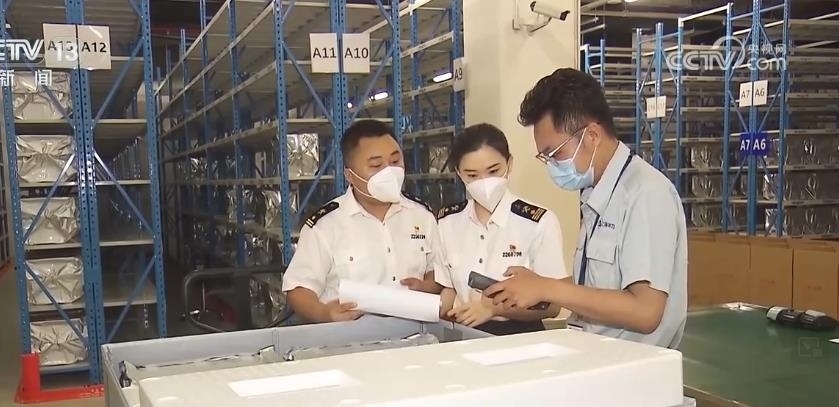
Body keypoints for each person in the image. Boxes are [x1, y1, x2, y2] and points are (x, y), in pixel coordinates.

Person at [484, 68, 688, 348]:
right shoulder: (597, 194)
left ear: (592, 135)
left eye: (555, 153)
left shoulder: (645, 194)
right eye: (546, 157)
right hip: (595, 353)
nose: (552, 165)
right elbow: (598, 290)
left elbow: (645, 312)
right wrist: (538, 284)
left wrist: (547, 288)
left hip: (632, 365)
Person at [281, 119, 444, 324]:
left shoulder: (422, 216)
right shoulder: (325, 226)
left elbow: (438, 271)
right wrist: (323, 313)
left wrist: (428, 286)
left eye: (395, 161)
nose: (389, 172)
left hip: (414, 334)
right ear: (350, 175)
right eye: (376, 165)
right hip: (349, 337)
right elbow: (298, 289)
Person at [434, 123, 569, 335]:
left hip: (521, 336)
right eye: (472, 175)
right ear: (459, 173)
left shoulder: (538, 222)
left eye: (493, 171)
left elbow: (553, 306)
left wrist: (492, 309)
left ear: (509, 164)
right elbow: (449, 289)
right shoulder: (447, 222)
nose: (484, 182)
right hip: (464, 333)